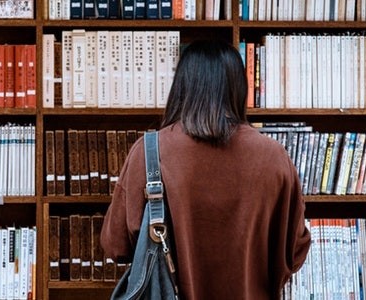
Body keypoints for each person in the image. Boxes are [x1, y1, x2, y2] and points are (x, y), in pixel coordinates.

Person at [100, 39, 311, 299]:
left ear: (182, 87)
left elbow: (115, 245)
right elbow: (295, 252)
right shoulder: (274, 158)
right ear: (238, 88)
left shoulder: (150, 152)